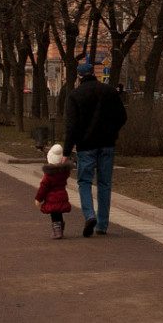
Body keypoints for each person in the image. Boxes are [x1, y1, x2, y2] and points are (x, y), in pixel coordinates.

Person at [63, 62, 127, 238]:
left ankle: (90, 215)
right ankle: (102, 224)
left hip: (86, 147)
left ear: (79, 77)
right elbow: (123, 117)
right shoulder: (109, 92)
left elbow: (71, 126)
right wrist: (112, 132)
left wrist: (66, 151)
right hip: (107, 144)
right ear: (94, 74)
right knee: (104, 184)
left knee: (84, 182)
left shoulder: (75, 96)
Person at [35, 144, 72, 239]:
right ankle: (60, 227)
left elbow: (43, 188)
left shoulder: (48, 176)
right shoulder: (64, 173)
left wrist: (38, 199)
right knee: (59, 212)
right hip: (62, 195)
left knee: (54, 213)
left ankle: (57, 231)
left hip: (52, 197)